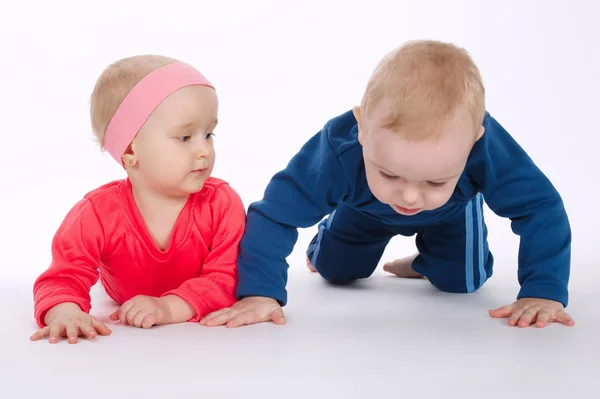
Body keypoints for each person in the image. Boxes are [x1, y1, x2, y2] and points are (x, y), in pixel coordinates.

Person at [200, 40, 574, 329]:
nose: (410, 196)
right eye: (390, 173)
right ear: (361, 128)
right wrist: (261, 292)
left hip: (450, 212)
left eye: (435, 178)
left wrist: (543, 290)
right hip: (361, 209)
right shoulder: (338, 147)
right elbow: (274, 215)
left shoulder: (486, 148)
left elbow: (540, 207)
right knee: (336, 272)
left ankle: (424, 259)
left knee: (464, 281)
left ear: (474, 141)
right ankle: (331, 234)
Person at [30, 55, 246, 344]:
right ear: (131, 149)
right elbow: (63, 276)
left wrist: (167, 308)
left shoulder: (221, 203)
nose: (204, 150)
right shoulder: (97, 213)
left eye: (208, 134)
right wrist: (66, 312)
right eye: (185, 137)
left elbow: (227, 277)